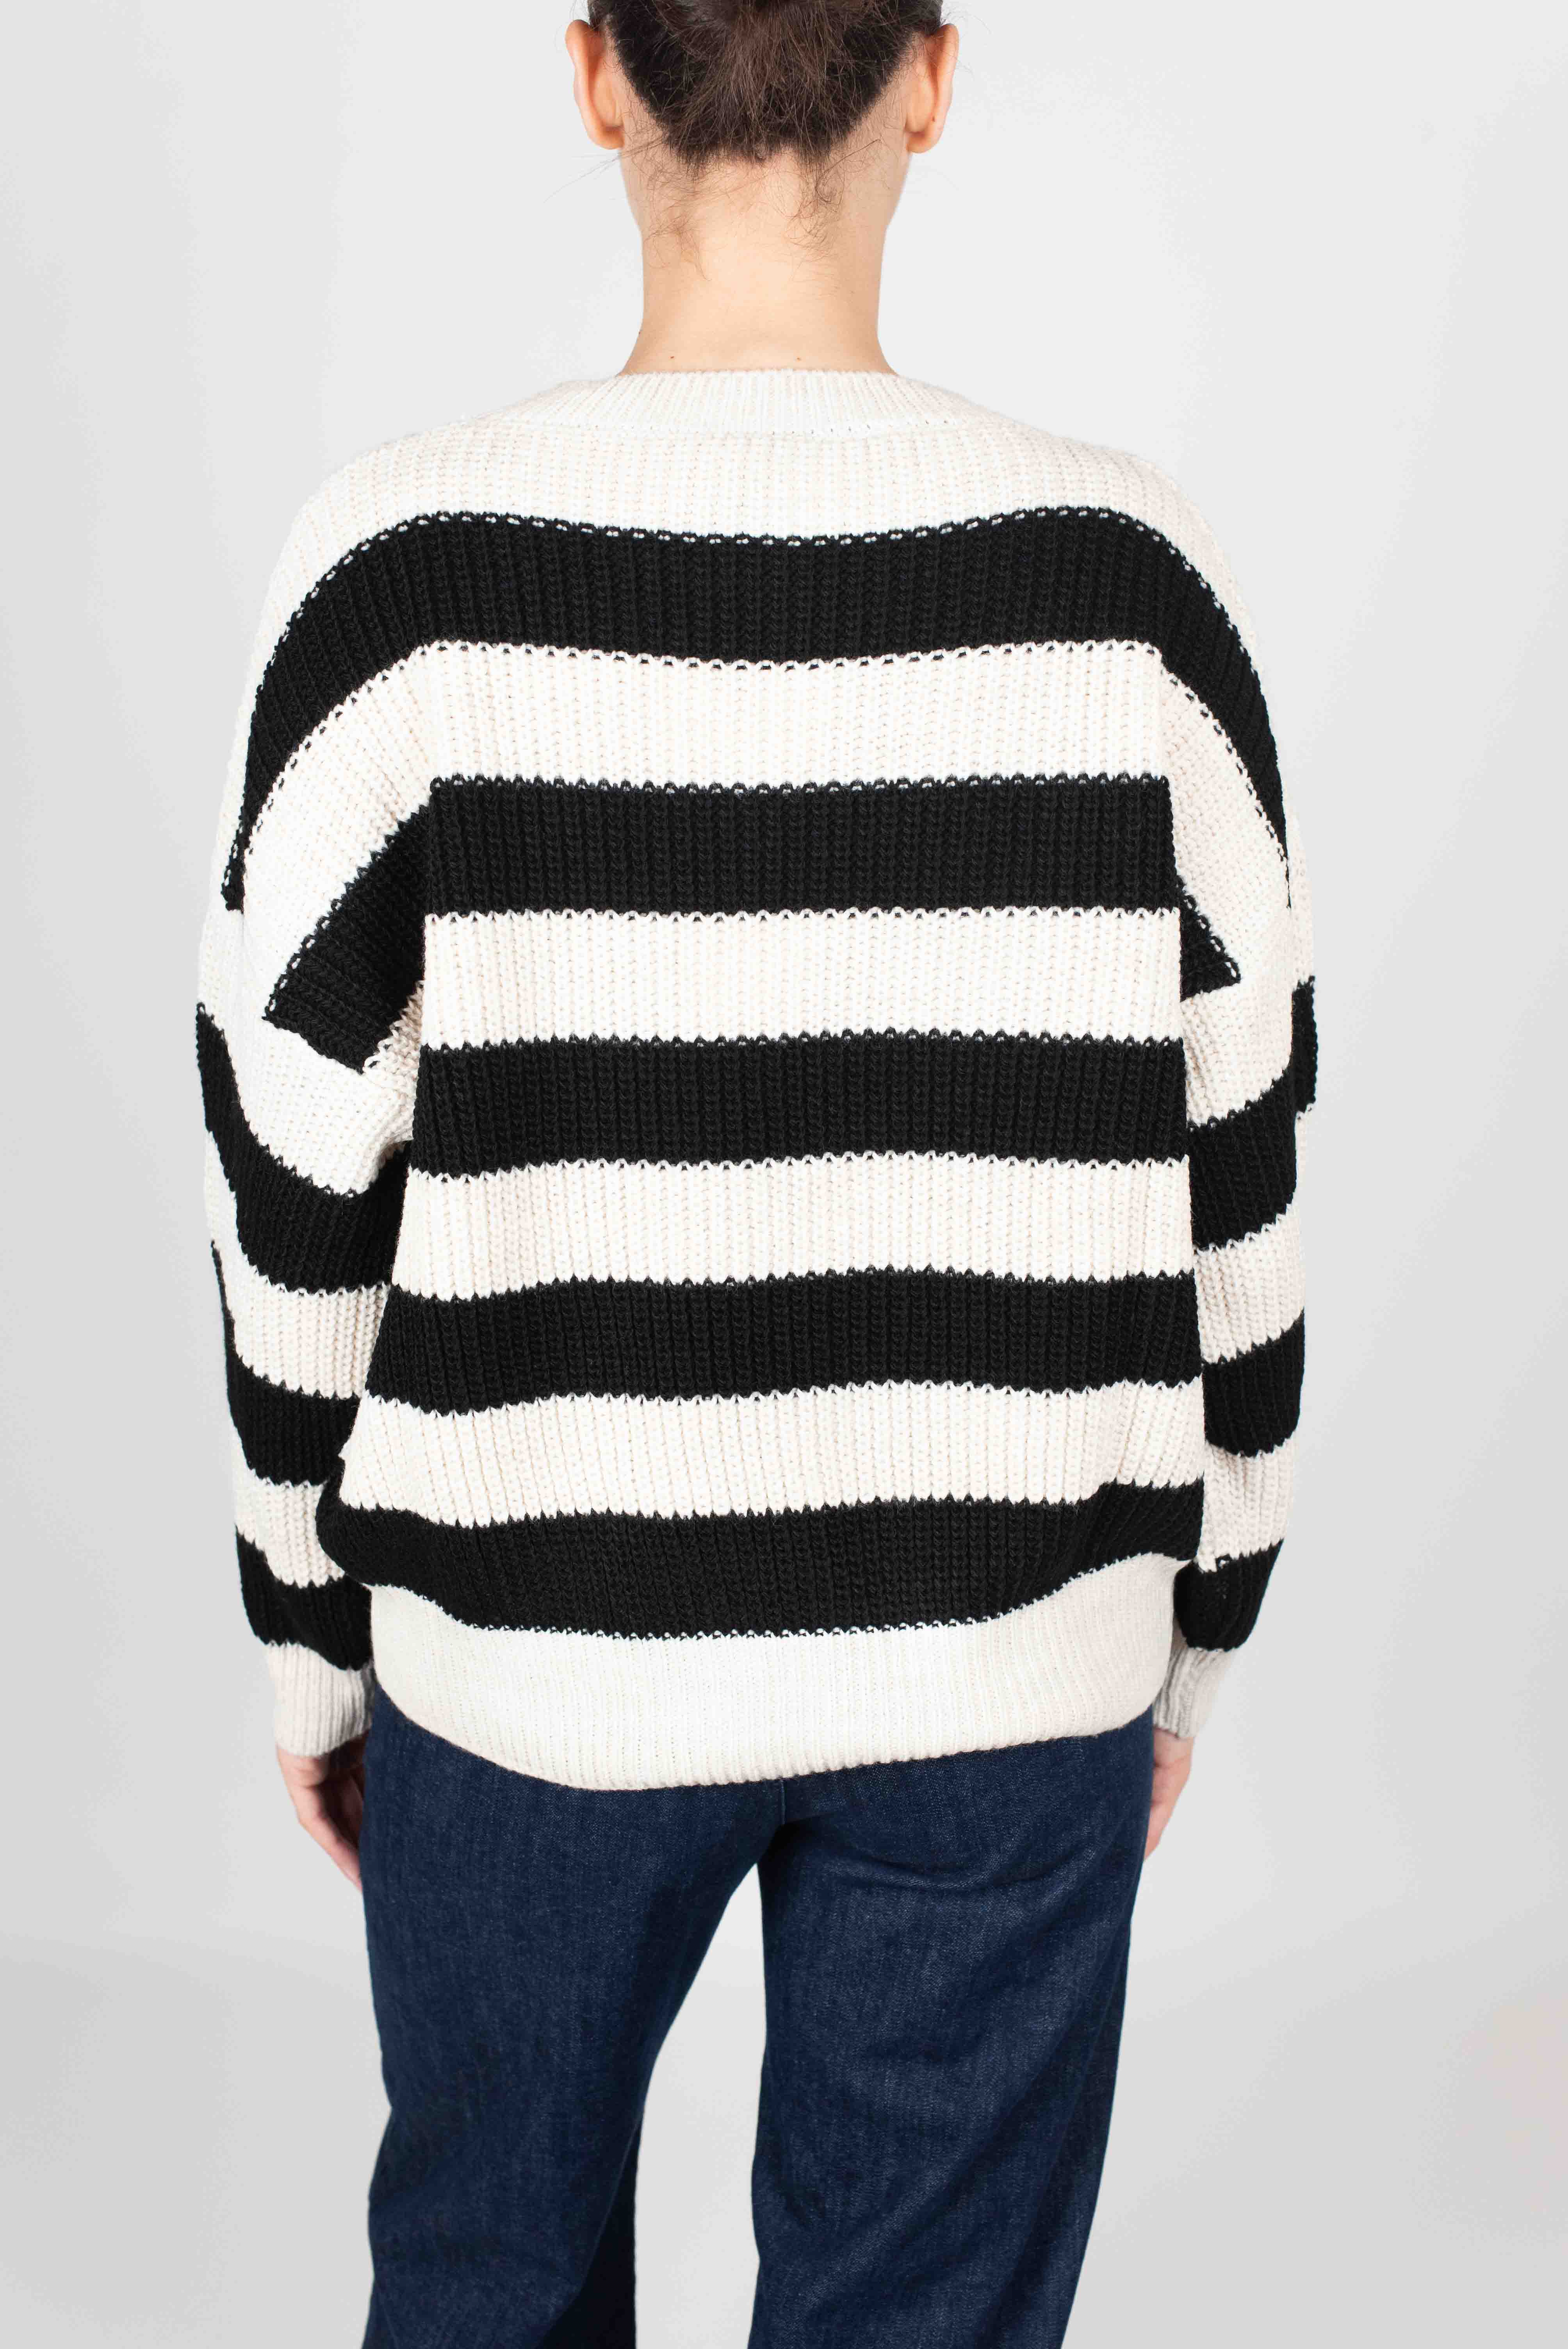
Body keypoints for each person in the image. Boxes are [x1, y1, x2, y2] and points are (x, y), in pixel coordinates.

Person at [196, 2, 1315, 2340]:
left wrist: (316, 1640)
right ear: (931, 77)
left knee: (487, 2291)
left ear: (598, 76)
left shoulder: (399, 582)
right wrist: (1198, 1629)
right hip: (1011, 1654)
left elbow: (289, 1177)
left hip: (524, 1659)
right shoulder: (1132, 590)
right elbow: (1248, 1162)